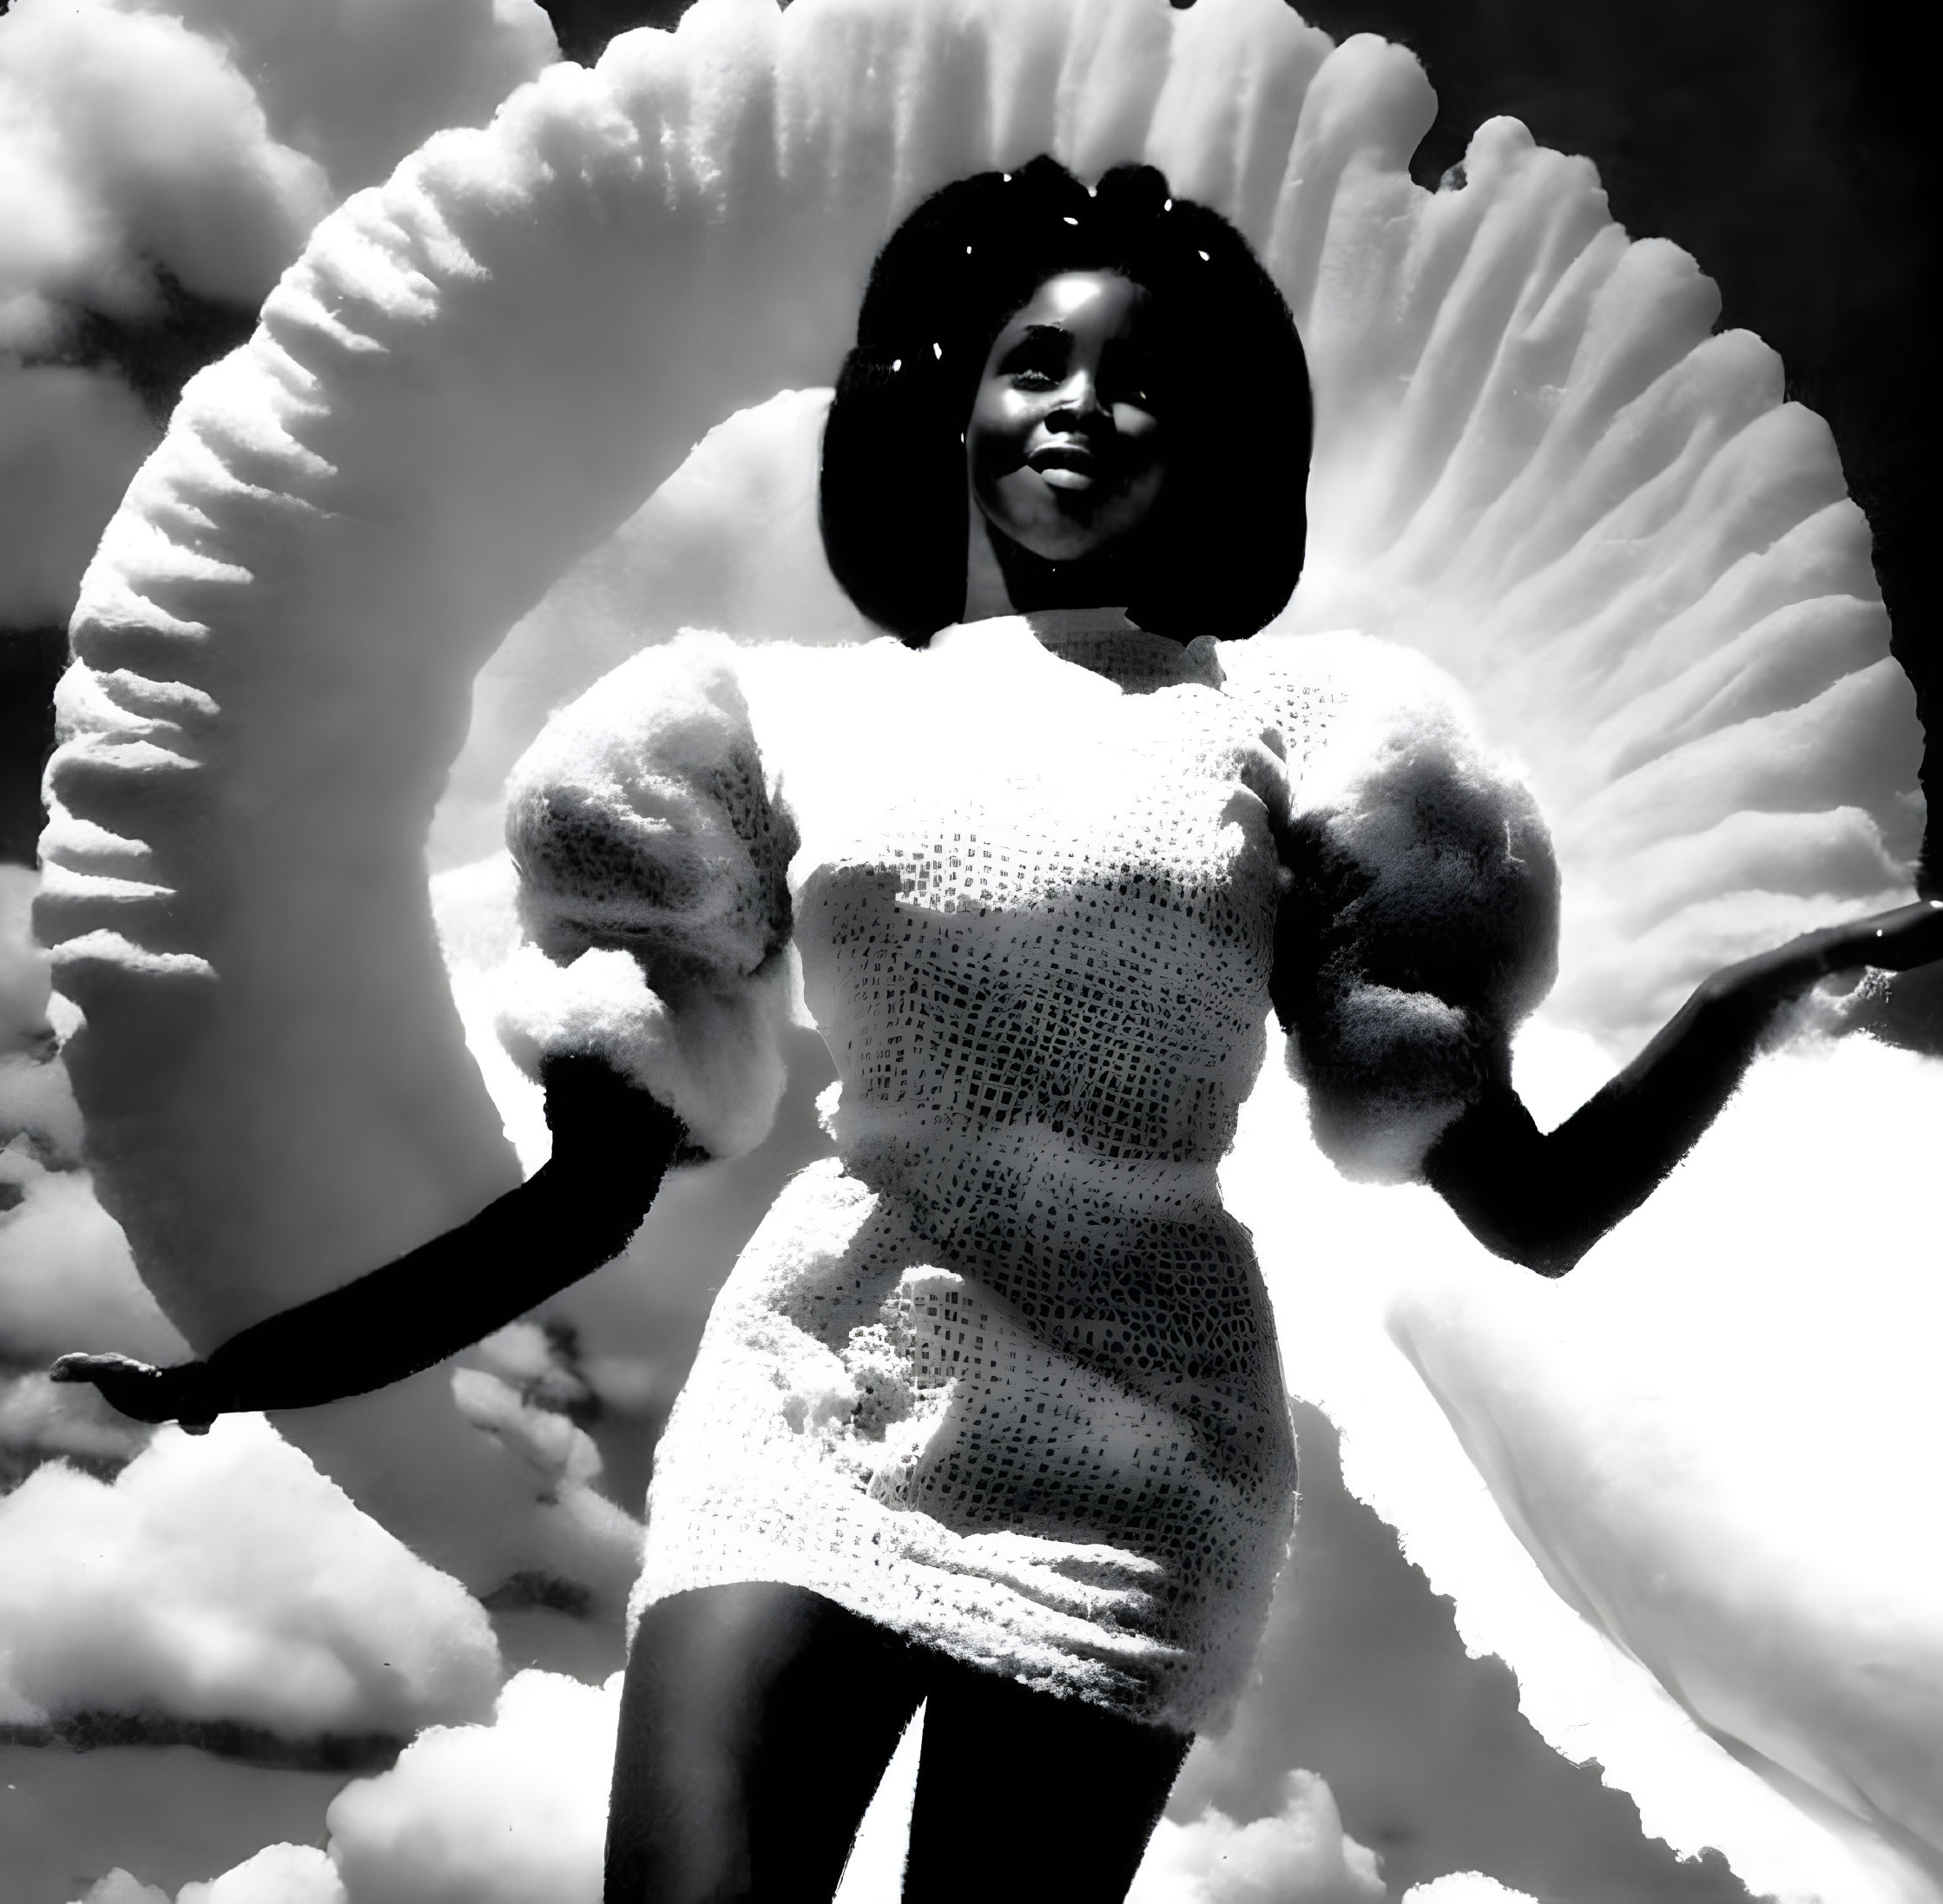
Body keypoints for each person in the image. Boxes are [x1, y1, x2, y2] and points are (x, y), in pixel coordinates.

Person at [55, 158, 1943, 1904]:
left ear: (1207, 444)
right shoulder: (767, 725)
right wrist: (249, 1370)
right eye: (1036, 359)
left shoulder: (1313, 738)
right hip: (824, 1387)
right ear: (956, 402)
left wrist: (1739, 1011)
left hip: (1145, 1453)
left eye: (1141, 381)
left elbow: (1526, 1207)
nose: (1080, 404)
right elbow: (580, 1202)